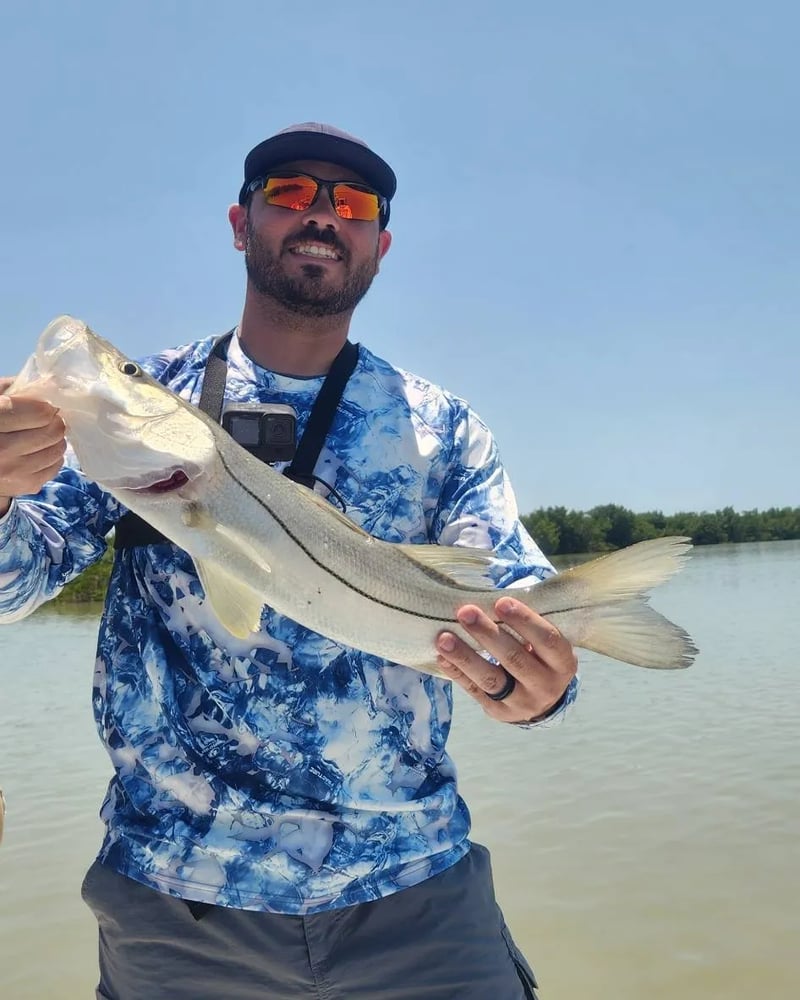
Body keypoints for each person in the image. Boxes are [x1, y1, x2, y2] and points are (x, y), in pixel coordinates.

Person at [0, 123, 579, 999]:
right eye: (290, 193)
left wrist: (538, 684)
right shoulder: (144, 405)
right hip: (176, 914)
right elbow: (17, 583)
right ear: (241, 223)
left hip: (413, 894)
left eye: (349, 203)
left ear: (378, 246)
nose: (320, 216)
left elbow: (511, 602)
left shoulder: (441, 427)